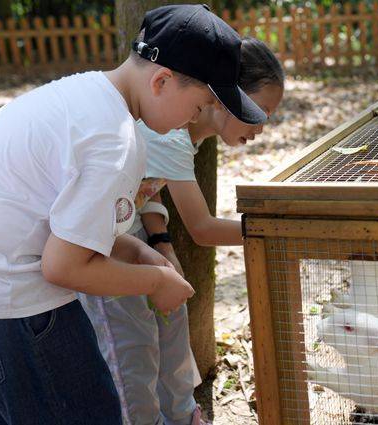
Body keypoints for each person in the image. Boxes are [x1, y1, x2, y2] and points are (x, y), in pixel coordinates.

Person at [0, 5, 266, 425]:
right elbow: (64, 266)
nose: (194, 119)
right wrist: (154, 281)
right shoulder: (116, 142)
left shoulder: (87, 94)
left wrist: (137, 250)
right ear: (162, 81)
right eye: (199, 106)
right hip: (6, 298)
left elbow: (66, 220)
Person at [79, 37, 284, 425]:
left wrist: (161, 242)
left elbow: (146, 187)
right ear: (227, 96)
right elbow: (204, 229)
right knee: (132, 345)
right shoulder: (171, 133)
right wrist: (274, 231)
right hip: (101, 240)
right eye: (260, 110)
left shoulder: (183, 133)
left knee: (172, 320)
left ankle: (181, 413)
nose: (262, 125)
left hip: (132, 228)